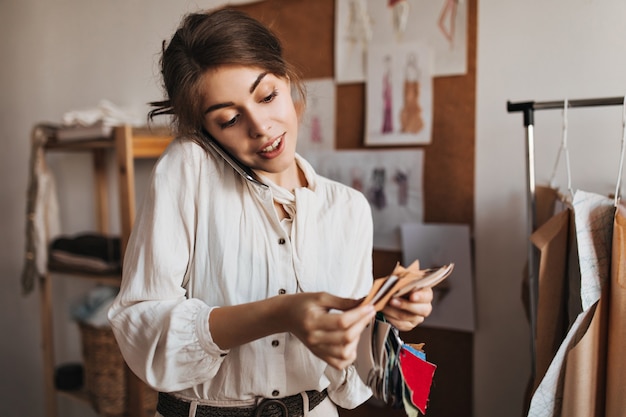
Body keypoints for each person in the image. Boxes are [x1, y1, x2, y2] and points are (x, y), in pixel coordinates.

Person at [108, 7, 433, 417]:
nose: (260, 126)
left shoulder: (348, 208)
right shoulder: (189, 168)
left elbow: (349, 382)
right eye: (228, 118)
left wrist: (380, 315)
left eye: (267, 96)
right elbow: (142, 328)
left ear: (286, 79)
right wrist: (279, 313)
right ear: (206, 130)